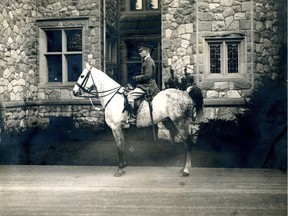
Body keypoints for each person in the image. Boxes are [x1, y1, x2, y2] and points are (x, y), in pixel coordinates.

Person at [125, 43, 159, 125]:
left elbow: (148, 76)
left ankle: (133, 117)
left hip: (147, 86)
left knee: (129, 96)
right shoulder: (146, 61)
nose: (140, 53)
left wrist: (136, 78)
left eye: (141, 51)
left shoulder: (149, 61)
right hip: (145, 85)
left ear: (147, 51)